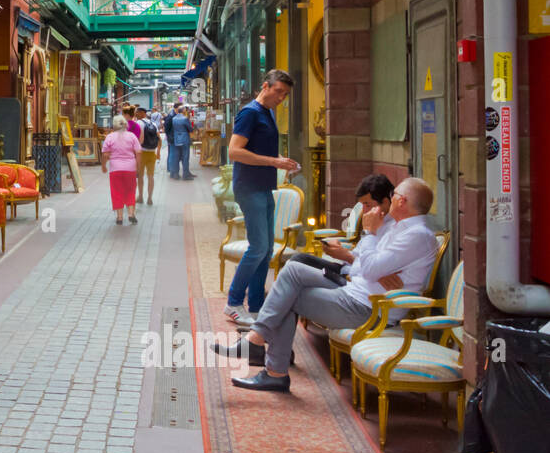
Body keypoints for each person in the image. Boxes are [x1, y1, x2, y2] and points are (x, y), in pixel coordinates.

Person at [215, 177, 441, 391]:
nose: (391, 197)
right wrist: (373, 267)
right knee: (293, 269)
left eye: (396, 194)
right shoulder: (400, 228)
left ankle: (272, 368)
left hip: (369, 308)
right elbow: (362, 264)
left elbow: (368, 266)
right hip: (356, 291)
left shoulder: (417, 235)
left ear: (402, 201)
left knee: (288, 296)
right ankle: (259, 345)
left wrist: (371, 236)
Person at [222, 70, 298, 325]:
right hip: (249, 186)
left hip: (262, 186)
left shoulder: (266, 113)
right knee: (257, 248)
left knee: (264, 251)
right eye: (279, 92)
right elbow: (234, 151)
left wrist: (280, 165)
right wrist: (274, 162)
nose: (282, 98)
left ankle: (256, 305)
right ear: (265, 86)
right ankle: (233, 303)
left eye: (285, 95)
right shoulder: (250, 112)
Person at [100, 115, 142, 226]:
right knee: (130, 191)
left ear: (114, 125)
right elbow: (138, 152)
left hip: (115, 169)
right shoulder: (132, 136)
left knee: (117, 191)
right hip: (130, 168)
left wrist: (103, 165)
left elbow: (105, 154)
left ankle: (119, 217)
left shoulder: (110, 137)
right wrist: (138, 167)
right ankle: (131, 214)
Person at [135, 106, 161, 204]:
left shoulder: (138, 123)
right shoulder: (153, 124)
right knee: (151, 176)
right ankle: (150, 198)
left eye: (137, 113)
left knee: (140, 176)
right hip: (152, 153)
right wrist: (158, 152)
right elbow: (159, 138)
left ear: (142, 113)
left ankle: (140, 197)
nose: (136, 115)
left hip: (142, 153)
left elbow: (136, 139)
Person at [167, 104, 198, 180]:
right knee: (185, 156)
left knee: (176, 156)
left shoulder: (174, 119)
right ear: (183, 111)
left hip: (176, 139)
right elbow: (190, 129)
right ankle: (185, 174)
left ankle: (175, 173)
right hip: (184, 139)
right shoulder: (185, 119)